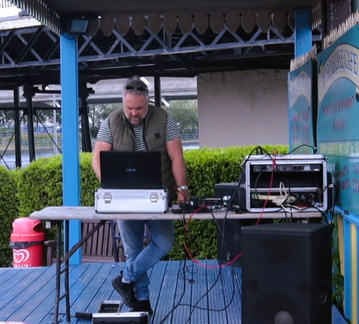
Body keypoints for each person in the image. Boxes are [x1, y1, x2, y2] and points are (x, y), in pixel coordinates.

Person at [92, 76, 189, 315]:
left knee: (164, 243)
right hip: (124, 198)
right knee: (133, 250)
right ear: (123, 103)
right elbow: (98, 157)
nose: (134, 113)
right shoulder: (110, 121)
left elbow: (177, 157)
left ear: (148, 103)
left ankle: (125, 279)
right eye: (129, 108)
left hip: (159, 194)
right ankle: (142, 300)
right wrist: (108, 184)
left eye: (139, 108)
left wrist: (182, 190)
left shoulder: (165, 119)